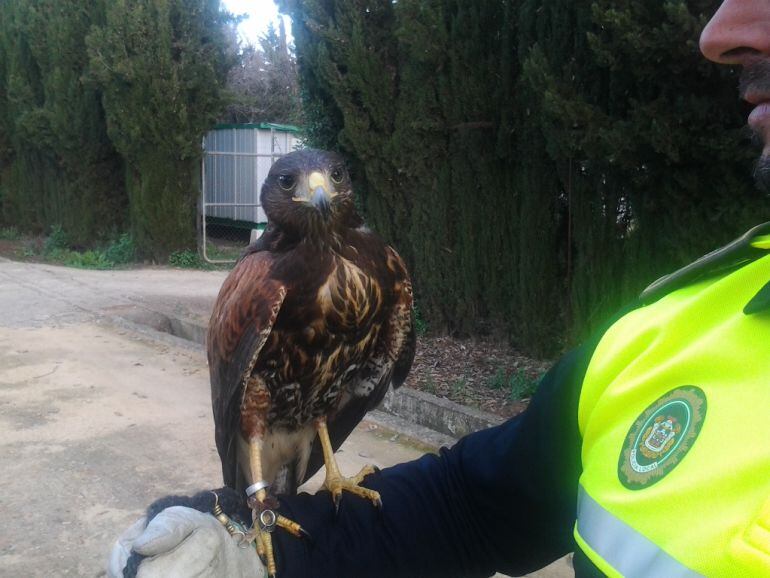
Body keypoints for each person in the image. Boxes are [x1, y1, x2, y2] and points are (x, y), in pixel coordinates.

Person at [109, 2, 770, 576]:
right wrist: (268, 550)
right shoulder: (660, 339)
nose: (720, 33)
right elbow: (468, 508)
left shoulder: (383, 267)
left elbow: (346, 404)